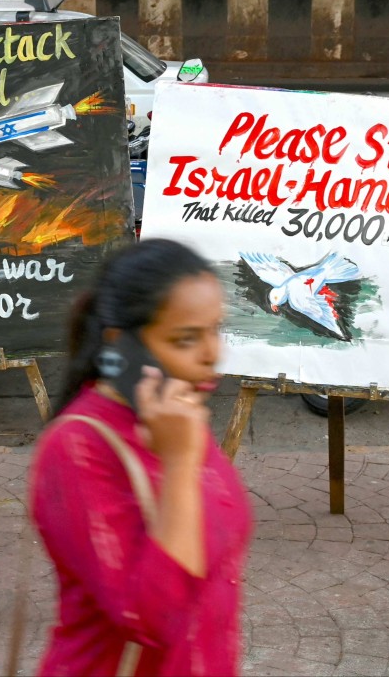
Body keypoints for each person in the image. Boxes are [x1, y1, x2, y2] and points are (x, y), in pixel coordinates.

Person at [28, 239, 253, 676]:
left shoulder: (174, 416)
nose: (213, 356)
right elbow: (154, 620)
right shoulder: (77, 448)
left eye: (215, 330)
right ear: (122, 345)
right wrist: (181, 466)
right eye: (186, 339)